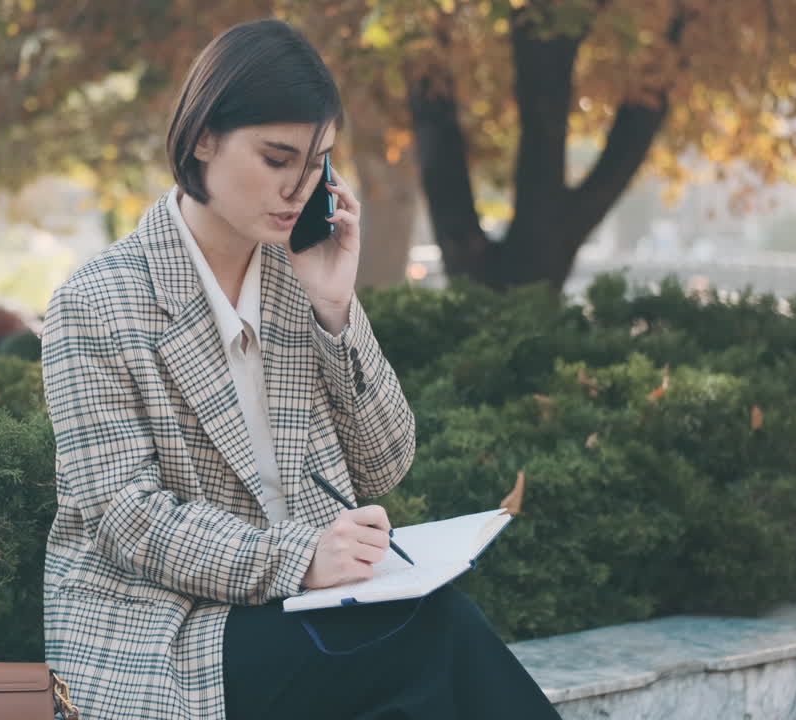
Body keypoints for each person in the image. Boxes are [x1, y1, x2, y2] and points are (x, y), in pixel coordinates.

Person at [41, 18, 561, 720]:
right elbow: (131, 522)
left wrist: (335, 311)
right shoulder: (98, 302)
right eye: (276, 158)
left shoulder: (297, 278)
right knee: (438, 638)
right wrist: (301, 558)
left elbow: (385, 463)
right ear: (202, 137)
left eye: (317, 163)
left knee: (433, 640)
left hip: (310, 611)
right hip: (168, 634)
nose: (299, 187)